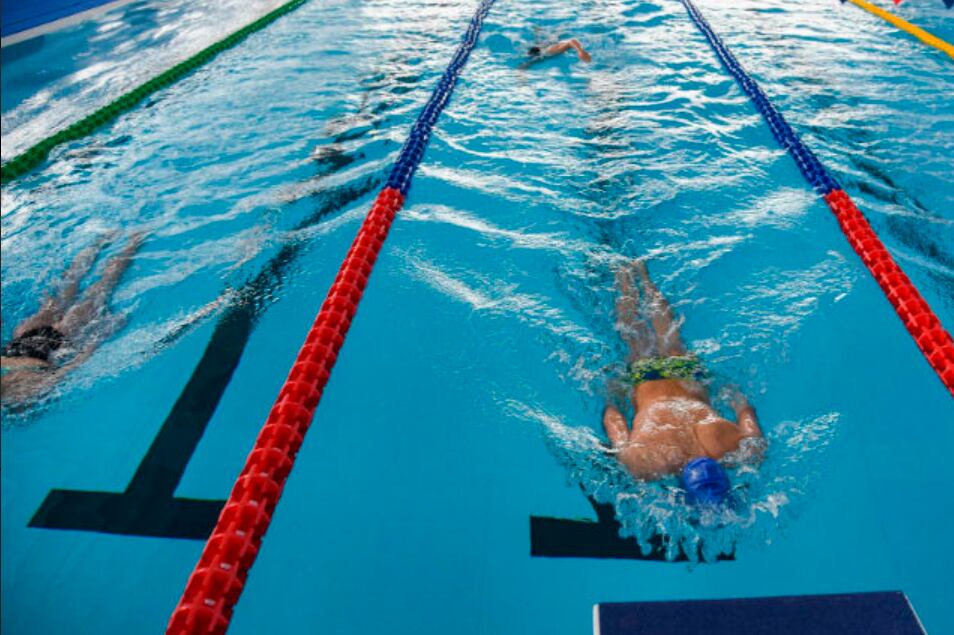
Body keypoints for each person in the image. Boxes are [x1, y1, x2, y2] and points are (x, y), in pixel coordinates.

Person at [603, 259, 762, 504]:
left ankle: (642, 275)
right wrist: (613, 394)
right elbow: (613, 419)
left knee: (670, 334)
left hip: (686, 375)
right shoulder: (642, 463)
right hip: (646, 379)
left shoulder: (742, 449)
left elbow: (745, 409)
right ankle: (623, 277)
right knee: (633, 335)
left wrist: (729, 390)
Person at [0, 232, 144, 404]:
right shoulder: (21, 394)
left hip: (40, 341)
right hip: (36, 341)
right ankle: (119, 241)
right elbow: (67, 370)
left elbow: (68, 370)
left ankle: (124, 241)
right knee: (76, 284)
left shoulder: (21, 394)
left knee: (97, 287)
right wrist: (91, 346)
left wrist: (93, 344)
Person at [521, 37, 592, 68]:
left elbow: (572, 41)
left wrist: (580, 51)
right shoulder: (540, 55)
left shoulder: (549, 51)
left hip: (549, 46)